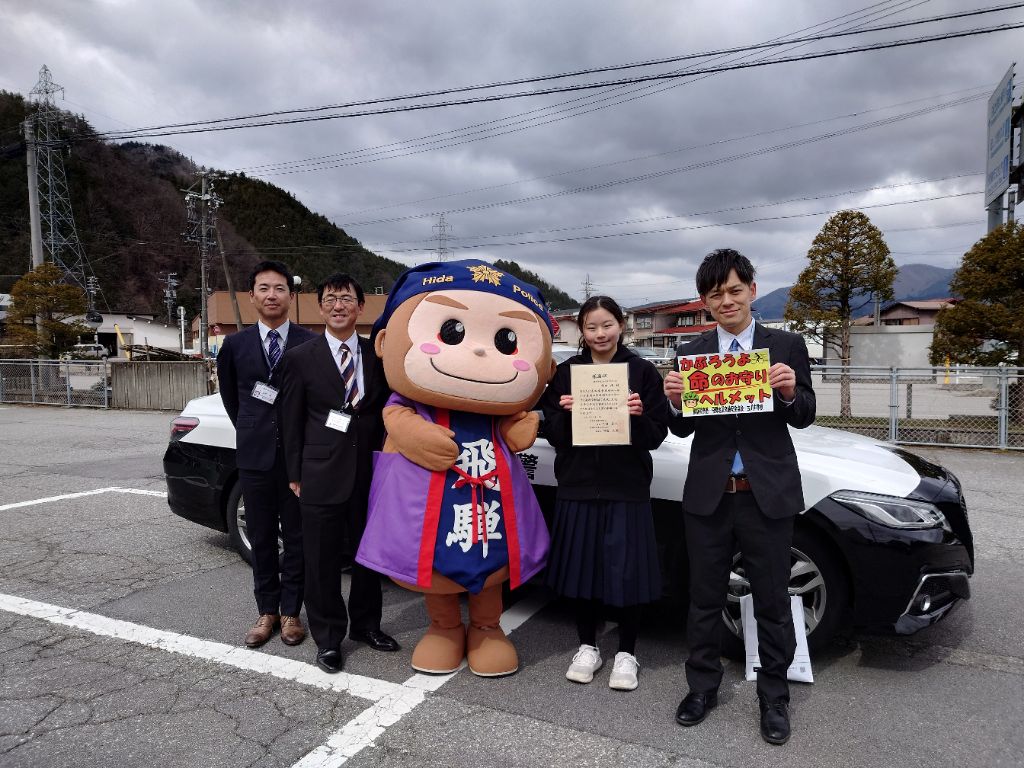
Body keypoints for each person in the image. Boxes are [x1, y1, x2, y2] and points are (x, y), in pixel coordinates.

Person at [664, 249, 815, 745]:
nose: (725, 300)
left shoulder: (785, 346)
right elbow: (682, 429)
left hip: (764, 493)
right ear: (704, 301)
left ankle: (775, 696)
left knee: (771, 599)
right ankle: (701, 687)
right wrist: (675, 400)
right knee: (704, 597)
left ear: (751, 289)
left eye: (734, 290)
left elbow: (804, 415)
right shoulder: (693, 351)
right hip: (710, 494)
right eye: (715, 294)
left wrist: (791, 392)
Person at [541, 295, 670, 691]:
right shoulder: (567, 373)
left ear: (621, 325)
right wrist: (563, 412)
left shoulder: (642, 372)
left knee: (626, 571)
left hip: (626, 484)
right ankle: (587, 645)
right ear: (581, 331)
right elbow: (553, 434)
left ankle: (627, 652)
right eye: (592, 327)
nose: (600, 334)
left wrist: (638, 415)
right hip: (578, 484)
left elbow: (656, 435)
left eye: (607, 325)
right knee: (584, 569)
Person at [279, 273, 400, 674]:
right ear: (320, 306)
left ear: (361, 307)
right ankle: (329, 638)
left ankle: (367, 626)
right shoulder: (300, 357)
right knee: (321, 560)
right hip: (319, 472)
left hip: (369, 470)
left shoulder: (377, 355)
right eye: (330, 298)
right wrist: (295, 471)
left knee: (369, 557)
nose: (338, 305)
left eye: (347, 298)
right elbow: (290, 419)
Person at [216, 260, 316, 649]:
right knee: (260, 535)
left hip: (297, 458)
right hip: (255, 457)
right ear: (252, 295)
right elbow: (231, 397)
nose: (271, 295)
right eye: (263, 288)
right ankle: (266, 611)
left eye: (279, 288)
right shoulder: (235, 345)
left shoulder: (309, 342)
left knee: (296, 536)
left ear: (290, 296)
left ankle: (291, 612)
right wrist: (253, 427)